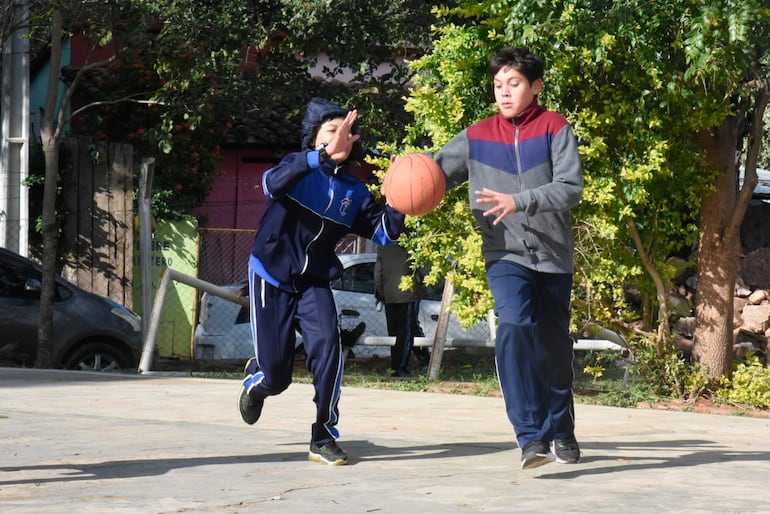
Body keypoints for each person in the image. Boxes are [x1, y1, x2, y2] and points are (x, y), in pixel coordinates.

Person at [434, 48, 584, 470]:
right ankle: (531, 437)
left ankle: (562, 428)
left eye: (513, 83)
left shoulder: (555, 128)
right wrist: (401, 177)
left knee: (554, 347)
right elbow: (432, 175)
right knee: (515, 327)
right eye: (498, 85)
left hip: (554, 256)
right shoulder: (477, 136)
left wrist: (519, 201)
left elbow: (570, 188)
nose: (504, 92)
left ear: (535, 87)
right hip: (504, 254)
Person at [238, 97, 406, 466]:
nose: (340, 138)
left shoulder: (354, 193)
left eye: (346, 132)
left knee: (329, 352)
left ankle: (323, 434)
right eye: (331, 131)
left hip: (314, 283)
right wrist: (320, 158)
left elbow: (384, 233)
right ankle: (257, 380)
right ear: (313, 139)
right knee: (277, 377)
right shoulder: (296, 170)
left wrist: (399, 197)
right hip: (272, 275)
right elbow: (270, 184)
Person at [374, 242, 429, 377]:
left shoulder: (384, 242)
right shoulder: (414, 241)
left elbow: (378, 269)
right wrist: (427, 286)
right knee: (407, 331)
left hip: (389, 294)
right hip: (407, 294)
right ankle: (400, 367)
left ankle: (412, 362)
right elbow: (423, 268)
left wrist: (379, 292)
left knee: (395, 331)